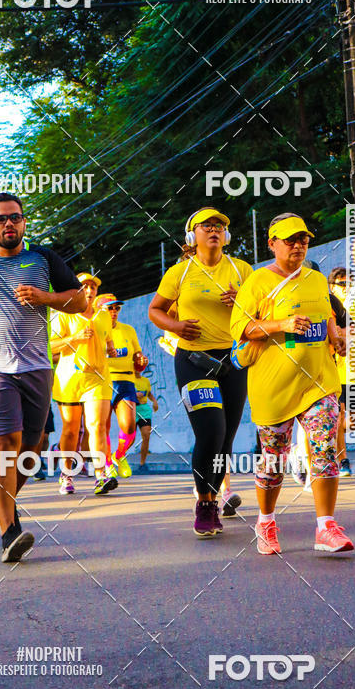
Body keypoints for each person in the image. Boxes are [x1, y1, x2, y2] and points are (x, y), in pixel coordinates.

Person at [0, 192, 85, 562]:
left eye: (16, 218)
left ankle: (7, 506)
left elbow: (81, 301)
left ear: (24, 222)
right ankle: (9, 532)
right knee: (5, 445)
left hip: (37, 366)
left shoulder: (43, 259)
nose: (10, 224)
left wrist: (46, 297)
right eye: (1, 219)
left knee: (32, 451)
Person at [230, 213, 354, 555]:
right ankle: (266, 520)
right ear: (272, 244)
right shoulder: (256, 282)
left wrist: (336, 335)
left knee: (326, 446)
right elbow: (239, 329)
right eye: (290, 240)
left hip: (319, 381)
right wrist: (281, 323)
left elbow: (325, 315)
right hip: (274, 385)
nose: (298, 245)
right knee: (273, 460)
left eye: (303, 240)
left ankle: (325, 527)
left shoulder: (316, 279)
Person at [149, 207, 253, 538]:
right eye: (206, 226)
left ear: (227, 235)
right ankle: (205, 504)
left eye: (220, 225)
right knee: (210, 431)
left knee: (226, 438)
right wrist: (177, 326)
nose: (214, 230)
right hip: (193, 361)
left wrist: (242, 303)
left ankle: (215, 494)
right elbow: (155, 310)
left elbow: (262, 313)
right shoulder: (179, 273)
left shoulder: (242, 269)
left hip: (233, 361)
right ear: (192, 236)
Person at [51, 273, 117, 496]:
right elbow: (49, 346)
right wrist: (74, 338)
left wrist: (111, 349)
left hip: (97, 378)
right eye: (84, 287)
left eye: (92, 287)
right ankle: (67, 474)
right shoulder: (63, 314)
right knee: (70, 430)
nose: (89, 290)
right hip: (69, 378)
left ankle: (101, 475)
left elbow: (109, 341)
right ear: (76, 290)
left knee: (97, 425)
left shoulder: (104, 316)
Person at [96, 293, 148, 479]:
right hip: (102, 381)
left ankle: (119, 455)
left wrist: (141, 360)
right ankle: (108, 463)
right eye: (109, 308)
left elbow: (138, 358)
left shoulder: (128, 330)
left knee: (129, 427)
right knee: (102, 426)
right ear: (99, 310)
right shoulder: (94, 329)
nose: (114, 311)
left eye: (116, 308)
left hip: (126, 381)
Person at [327, 267, 352, 477]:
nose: (346, 288)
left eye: (349, 284)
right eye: (342, 284)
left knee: (349, 419)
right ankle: (342, 460)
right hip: (335, 370)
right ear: (332, 286)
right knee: (339, 417)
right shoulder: (327, 304)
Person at [135, 365, 158, 472]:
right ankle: (119, 457)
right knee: (129, 438)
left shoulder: (145, 380)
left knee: (146, 435)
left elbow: (149, 393)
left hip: (144, 410)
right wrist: (134, 395)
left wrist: (154, 401)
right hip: (131, 409)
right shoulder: (128, 380)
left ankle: (142, 463)